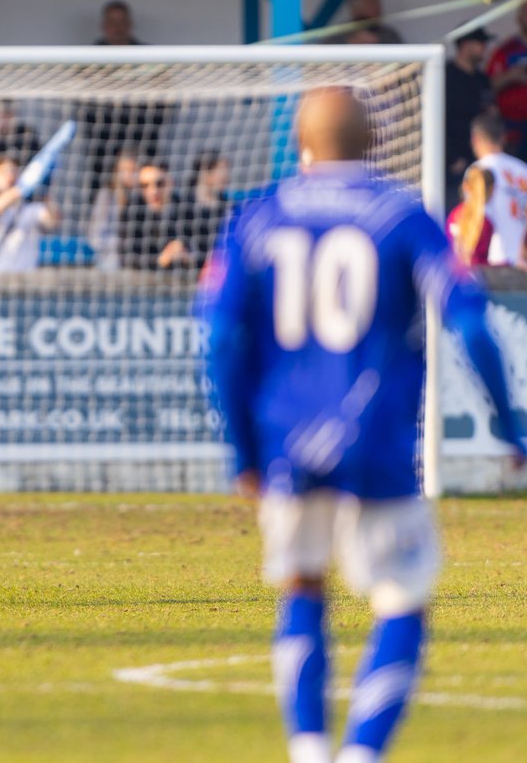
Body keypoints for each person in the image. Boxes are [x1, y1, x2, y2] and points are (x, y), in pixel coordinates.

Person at [200, 87, 525, 763]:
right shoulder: (401, 215)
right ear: (374, 142)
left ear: (300, 145)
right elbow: (471, 325)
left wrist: (244, 451)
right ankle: (362, 754)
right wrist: (508, 425)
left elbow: (224, 339)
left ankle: (309, 749)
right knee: (401, 600)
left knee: (302, 585)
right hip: (376, 441)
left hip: (287, 440)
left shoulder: (258, 216)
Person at [79, 0, 171, 201]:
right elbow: (83, 96)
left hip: (143, 136)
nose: (117, 28)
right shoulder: (89, 57)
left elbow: (163, 91)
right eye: (112, 22)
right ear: (104, 26)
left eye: (122, 22)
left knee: (146, 194)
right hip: (104, 141)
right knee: (104, 194)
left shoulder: (148, 56)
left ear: (130, 25)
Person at [0, 157, 60, 272]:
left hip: (27, 277)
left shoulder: (33, 209)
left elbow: (53, 222)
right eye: (2, 172)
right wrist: (21, 188)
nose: (9, 175)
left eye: (13, 171)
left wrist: (45, 191)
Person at [445, 27, 494, 210]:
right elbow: (437, 122)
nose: (485, 47)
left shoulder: (482, 79)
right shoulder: (445, 76)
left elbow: (490, 116)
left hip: (481, 161)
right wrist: (452, 158)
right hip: (454, 165)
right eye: (480, 43)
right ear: (465, 45)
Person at [471, 112, 527, 268]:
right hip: (522, 264)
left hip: (492, 263)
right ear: (504, 137)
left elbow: (474, 220)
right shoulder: (523, 170)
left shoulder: (477, 172)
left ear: (475, 139)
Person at [87, 146, 141, 269]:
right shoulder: (107, 195)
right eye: (126, 170)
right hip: (109, 263)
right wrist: (120, 246)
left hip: (133, 263)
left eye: (134, 171)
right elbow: (95, 236)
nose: (131, 175)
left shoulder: (138, 198)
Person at [486, 0, 527, 158]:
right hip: (512, 126)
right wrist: (511, 76)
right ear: (520, 17)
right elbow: (487, 85)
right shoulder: (506, 50)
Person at [446, 165, 496, 266]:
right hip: (477, 273)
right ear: (491, 190)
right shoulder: (486, 223)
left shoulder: (453, 215)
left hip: (452, 272)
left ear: (465, 186)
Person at [328, 0, 403, 44]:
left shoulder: (388, 35)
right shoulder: (337, 34)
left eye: (377, 3)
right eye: (370, 3)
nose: (377, 7)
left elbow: (401, 56)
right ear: (354, 8)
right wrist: (353, 43)